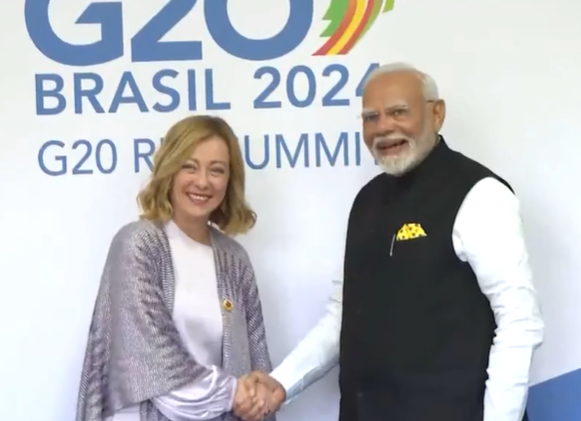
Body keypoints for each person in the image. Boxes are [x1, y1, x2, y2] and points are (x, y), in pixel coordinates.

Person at [247, 62, 545, 421]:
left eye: (398, 112)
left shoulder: (480, 194)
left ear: (437, 114)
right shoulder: (365, 201)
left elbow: (519, 323)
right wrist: (281, 382)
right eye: (371, 117)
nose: (383, 127)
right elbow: (343, 316)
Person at [75, 115, 277, 421]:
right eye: (189, 166)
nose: (203, 181)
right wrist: (233, 393)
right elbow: (154, 363)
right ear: (170, 169)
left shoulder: (235, 259)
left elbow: (257, 360)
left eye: (217, 170)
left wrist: (260, 394)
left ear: (229, 180)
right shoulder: (137, 244)